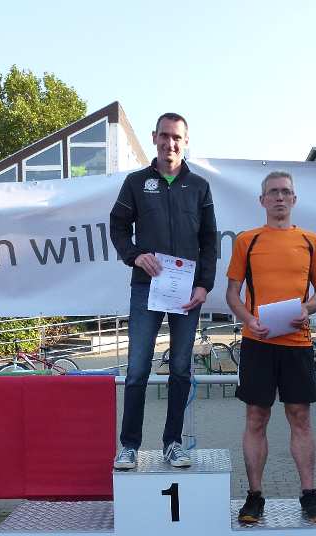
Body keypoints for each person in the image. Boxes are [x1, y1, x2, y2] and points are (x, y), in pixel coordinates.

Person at [110, 112, 218, 470]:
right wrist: (135, 256)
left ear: (185, 142)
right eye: (165, 136)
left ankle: (173, 443)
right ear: (154, 137)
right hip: (147, 289)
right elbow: (118, 226)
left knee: (181, 369)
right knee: (137, 369)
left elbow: (209, 240)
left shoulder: (199, 186)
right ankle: (129, 446)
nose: (170, 143)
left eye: (177, 137)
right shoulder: (136, 182)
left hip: (186, 292)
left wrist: (204, 285)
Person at [225, 171, 316, 523]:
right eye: (273, 192)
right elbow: (232, 294)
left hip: (297, 343)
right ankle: (255, 496)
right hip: (257, 343)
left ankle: (309, 495)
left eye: (286, 192)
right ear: (263, 200)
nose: (280, 197)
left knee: (300, 417)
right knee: (256, 418)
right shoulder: (247, 241)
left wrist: (308, 308)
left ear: (294, 199)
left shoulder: (311, 241)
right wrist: (247, 319)